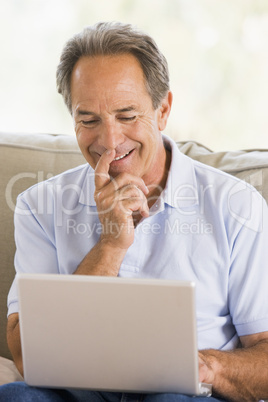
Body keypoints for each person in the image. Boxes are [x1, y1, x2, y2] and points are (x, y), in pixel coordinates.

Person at [1, 21, 268, 402]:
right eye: (88, 120)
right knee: (16, 396)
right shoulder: (37, 206)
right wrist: (110, 245)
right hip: (78, 394)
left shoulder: (237, 205)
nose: (109, 141)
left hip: (185, 396)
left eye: (127, 115)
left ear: (162, 111)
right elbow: (27, 357)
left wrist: (207, 366)